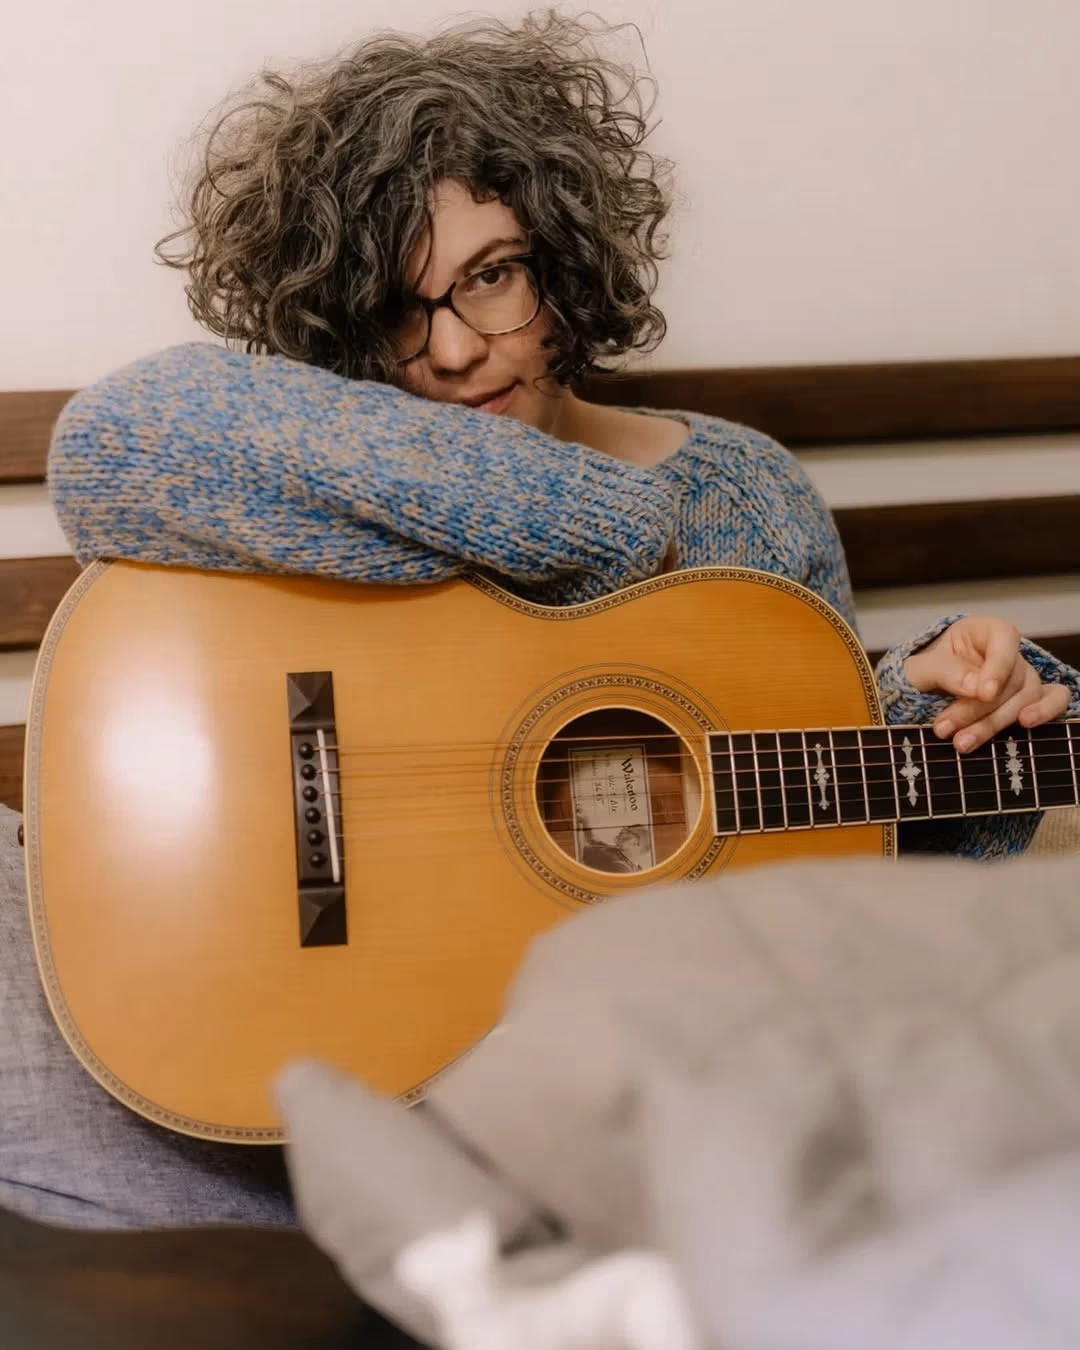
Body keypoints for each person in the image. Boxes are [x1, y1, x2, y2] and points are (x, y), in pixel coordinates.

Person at [3, 9, 1078, 1240]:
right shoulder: (334, 465)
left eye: (492, 275)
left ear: (566, 257)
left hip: (562, 1075)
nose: (457, 350)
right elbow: (112, 444)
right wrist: (601, 519)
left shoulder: (745, 491)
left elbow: (816, 871)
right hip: (298, 1001)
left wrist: (945, 709)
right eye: (396, 311)